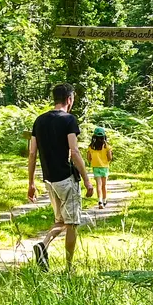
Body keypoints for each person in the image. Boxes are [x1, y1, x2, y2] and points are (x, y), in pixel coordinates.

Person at [27, 84, 93, 271]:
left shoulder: (39, 120)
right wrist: (87, 180)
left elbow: (32, 154)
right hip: (66, 179)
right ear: (69, 100)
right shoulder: (69, 120)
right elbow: (74, 150)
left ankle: (43, 245)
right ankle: (69, 268)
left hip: (49, 180)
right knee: (72, 223)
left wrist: (31, 183)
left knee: (60, 221)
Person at [85, 127, 113, 208]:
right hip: (105, 167)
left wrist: (93, 161)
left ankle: (100, 201)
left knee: (98, 185)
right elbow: (110, 158)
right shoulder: (107, 147)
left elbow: (88, 158)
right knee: (104, 185)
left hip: (95, 167)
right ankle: (104, 200)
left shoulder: (91, 147)